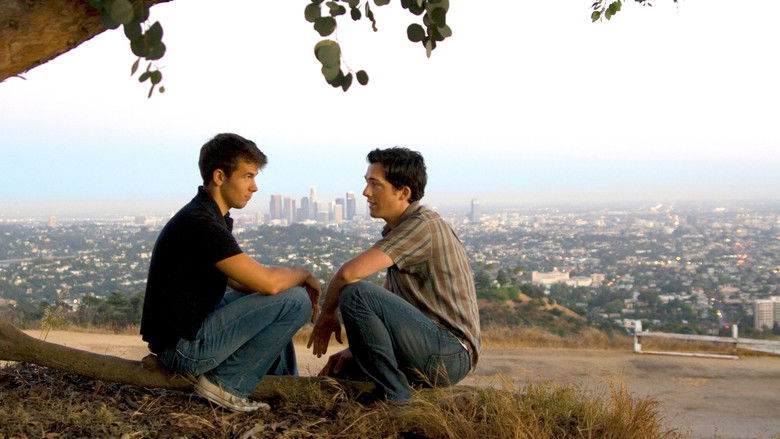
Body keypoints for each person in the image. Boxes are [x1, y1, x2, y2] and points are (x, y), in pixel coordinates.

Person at [140, 133, 321, 412]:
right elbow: (269, 283)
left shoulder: (207, 215)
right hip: (184, 349)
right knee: (295, 300)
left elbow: (242, 280)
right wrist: (303, 274)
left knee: (284, 294)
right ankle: (226, 386)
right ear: (219, 176)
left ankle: (281, 383)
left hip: (180, 339)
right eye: (247, 176)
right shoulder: (202, 223)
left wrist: (285, 284)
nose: (254, 187)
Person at [308, 147, 480, 404]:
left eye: (375, 184)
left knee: (357, 293)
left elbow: (348, 274)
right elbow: (389, 298)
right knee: (340, 372)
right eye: (367, 183)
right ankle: (386, 393)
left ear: (403, 192)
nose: (366, 192)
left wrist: (327, 315)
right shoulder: (401, 228)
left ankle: (396, 399)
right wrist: (355, 349)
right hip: (427, 345)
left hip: (448, 354)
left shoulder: (422, 226)